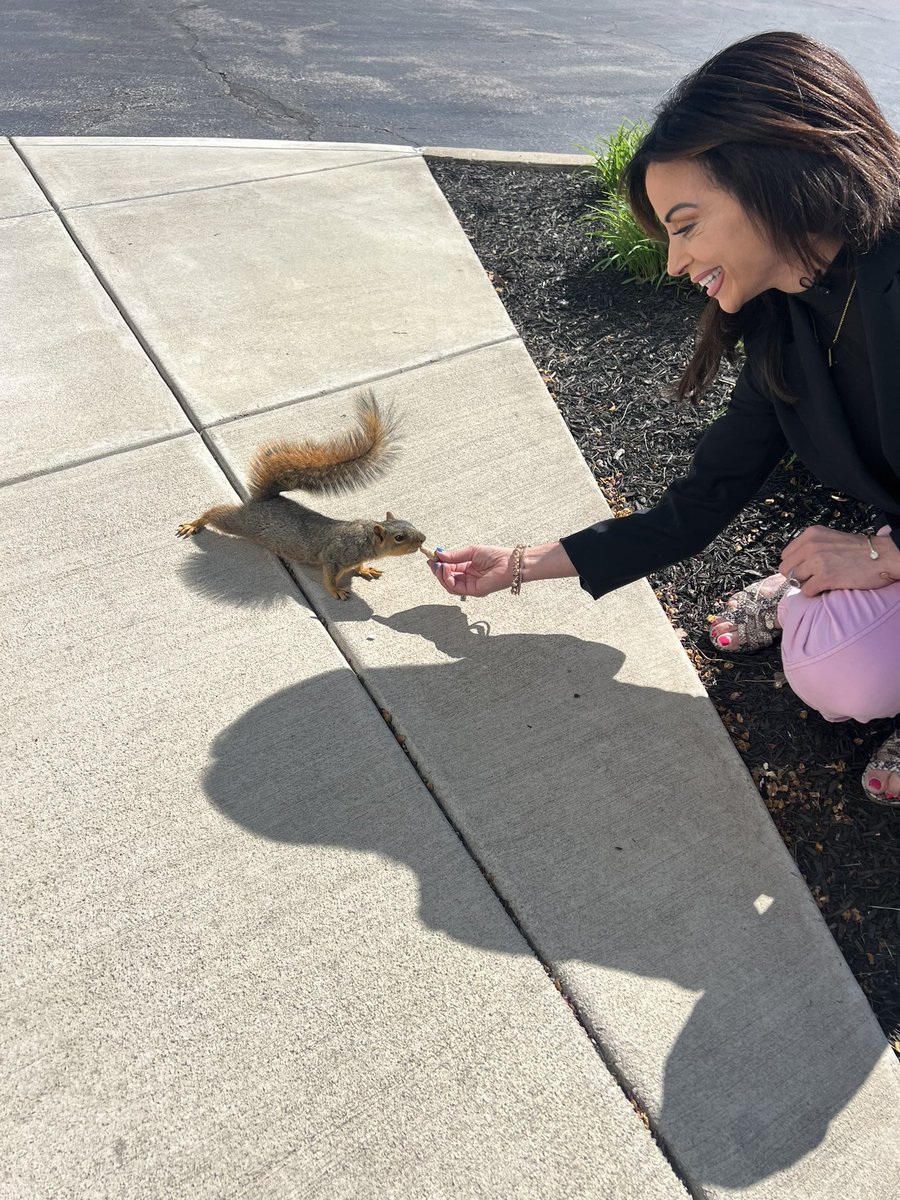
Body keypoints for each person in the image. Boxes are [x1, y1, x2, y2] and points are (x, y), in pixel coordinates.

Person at [428, 31, 900, 806]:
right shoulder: (793, 317)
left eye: (686, 224)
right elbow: (702, 499)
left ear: (776, 177)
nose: (676, 262)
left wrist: (884, 561)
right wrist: (515, 564)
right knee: (836, 670)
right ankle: (812, 592)